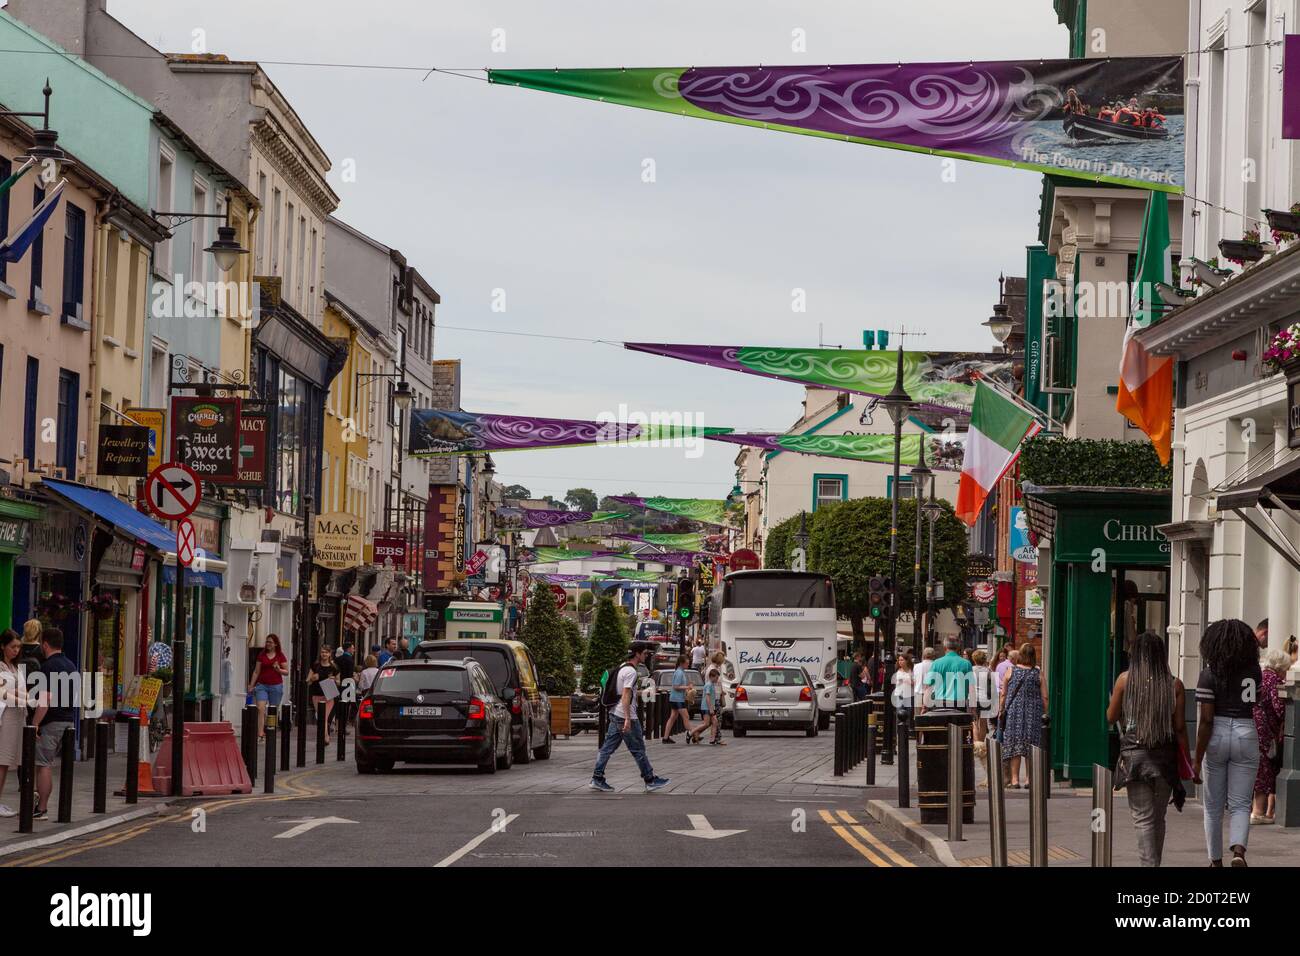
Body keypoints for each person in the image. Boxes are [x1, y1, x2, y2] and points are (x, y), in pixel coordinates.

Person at [1106, 630, 1186, 867]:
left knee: (1143, 818)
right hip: (1164, 759)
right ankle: (1153, 864)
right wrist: (1189, 762)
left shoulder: (1124, 680)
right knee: (1158, 817)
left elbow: (1110, 717)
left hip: (1135, 758)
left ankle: (1149, 865)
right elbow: (1180, 728)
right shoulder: (1175, 685)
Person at [1194, 619, 1262, 867]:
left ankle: (1215, 861)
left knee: (1212, 805)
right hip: (1246, 729)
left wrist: (1196, 757)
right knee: (1241, 802)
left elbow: (1206, 721)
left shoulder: (1209, 673)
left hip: (1218, 733)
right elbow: (1256, 703)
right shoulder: (1255, 672)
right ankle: (1239, 852)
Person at [590, 641, 669, 792]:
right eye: (645, 653)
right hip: (625, 716)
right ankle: (650, 779)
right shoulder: (631, 672)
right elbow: (626, 694)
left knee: (607, 748)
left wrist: (640, 694)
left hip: (615, 712)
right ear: (637, 654)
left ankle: (597, 778)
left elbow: (626, 692)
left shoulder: (622, 667)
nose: (646, 656)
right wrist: (627, 718)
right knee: (638, 749)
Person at [31, 628, 77, 821]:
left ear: (45, 645)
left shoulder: (48, 667)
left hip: (51, 722)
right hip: (68, 720)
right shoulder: (71, 665)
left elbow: (45, 699)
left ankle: (41, 808)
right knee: (50, 764)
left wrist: (34, 723)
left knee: (43, 765)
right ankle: (48, 807)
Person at [999, 643, 1047, 789]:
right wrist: (1046, 712)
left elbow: (1003, 694)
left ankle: (1014, 780)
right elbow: (1045, 696)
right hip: (1034, 713)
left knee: (1015, 744)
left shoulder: (1010, 671)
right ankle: (1029, 779)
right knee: (1031, 745)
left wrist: (1001, 709)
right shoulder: (1038, 673)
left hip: (1014, 712)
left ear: (1019, 655)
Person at [1251, 648, 1289, 825]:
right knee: (1265, 769)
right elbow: (1278, 707)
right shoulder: (1274, 680)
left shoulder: (1259, 675)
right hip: (1266, 729)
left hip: (1253, 725)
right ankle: (1259, 812)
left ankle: (1255, 810)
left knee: (1257, 767)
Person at [0, 629, 26, 818]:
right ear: (3, 646)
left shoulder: (15, 667)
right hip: (5, 718)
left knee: (7, 763)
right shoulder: (1, 667)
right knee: (2, 762)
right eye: (12, 647)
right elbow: (4, 693)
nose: (16, 650)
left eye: (18, 647)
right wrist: (25, 698)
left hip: (17, 718)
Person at [247, 633, 289, 740]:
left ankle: (271, 730)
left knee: (272, 710)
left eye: (270, 642)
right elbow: (256, 671)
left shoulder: (280, 655)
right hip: (262, 686)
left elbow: (286, 672)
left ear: (275, 644)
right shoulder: (262, 655)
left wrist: (278, 669)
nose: (268, 644)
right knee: (260, 708)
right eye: (267, 642)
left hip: (276, 686)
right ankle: (260, 732)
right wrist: (251, 685)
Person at [929, 636, 974, 711]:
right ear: (958, 648)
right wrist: (973, 706)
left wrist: (925, 706)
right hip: (959, 703)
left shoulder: (936, 663)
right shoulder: (966, 664)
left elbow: (929, 686)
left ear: (945, 647)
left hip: (940, 702)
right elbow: (971, 687)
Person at [307, 646, 339, 746]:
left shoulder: (334, 667)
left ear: (330, 654)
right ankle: (325, 735)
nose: (324, 654)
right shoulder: (315, 666)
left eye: (326, 652)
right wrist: (312, 678)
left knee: (324, 716)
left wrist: (334, 680)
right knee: (322, 716)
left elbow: (339, 682)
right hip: (317, 693)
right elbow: (307, 681)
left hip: (329, 693)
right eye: (322, 652)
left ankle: (325, 736)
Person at [663, 654, 698, 744]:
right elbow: (675, 686)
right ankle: (693, 734)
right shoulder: (679, 672)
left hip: (675, 698)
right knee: (685, 716)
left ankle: (665, 737)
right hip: (678, 699)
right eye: (687, 663)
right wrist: (687, 687)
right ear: (682, 663)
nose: (688, 665)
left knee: (673, 717)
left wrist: (686, 687)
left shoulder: (680, 671)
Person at [693, 667, 725, 745]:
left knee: (715, 722)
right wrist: (711, 708)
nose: (717, 679)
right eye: (716, 678)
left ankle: (712, 739)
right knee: (706, 724)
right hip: (706, 707)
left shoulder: (711, 684)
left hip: (709, 707)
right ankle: (691, 732)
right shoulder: (709, 685)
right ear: (711, 677)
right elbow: (707, 697)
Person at [970, 650, 996, 743]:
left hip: (972, 699)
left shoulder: (970, 670)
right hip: (985, 699)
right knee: (983, 723)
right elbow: (993, 687)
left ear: (974, 659)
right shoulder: (988, 671)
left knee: (974, 723)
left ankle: (976, 745)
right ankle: (981, 744)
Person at [890, 653, 914, 733]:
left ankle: (906, 732)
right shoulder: (896, 670)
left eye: (902, 660)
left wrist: (907, 681)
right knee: (899, 714)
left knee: (908, 715)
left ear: (907, 661)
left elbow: (915, 683)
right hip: (899, 695)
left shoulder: (911, 670)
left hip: (909, 695)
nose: (900, 662)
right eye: (899, 660)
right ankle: (898, 732)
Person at [912, 646, 937, 713]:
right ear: (933, 655)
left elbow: (914, 681)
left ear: (923, 655)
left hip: (918, 693)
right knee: (931, 717)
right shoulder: (936, 665)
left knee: (918, 717)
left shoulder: (916, 666)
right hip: (932, 694)